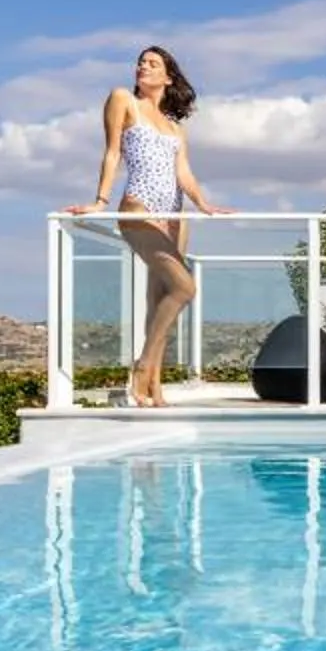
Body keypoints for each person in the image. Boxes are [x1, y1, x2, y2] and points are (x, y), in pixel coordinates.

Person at [64, 46, 230, 407]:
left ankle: (155, 386)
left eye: (153, 63)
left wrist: (203, 204)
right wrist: (100, 202)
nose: (143, 66)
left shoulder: (174, 126)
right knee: (185, 288)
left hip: (174, 217)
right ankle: (141, 369)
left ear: (168, 77)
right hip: (138, 211)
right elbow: (112, 152)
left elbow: (183, 172)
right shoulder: (123, 99)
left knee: (161, 304)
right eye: (141, 62)